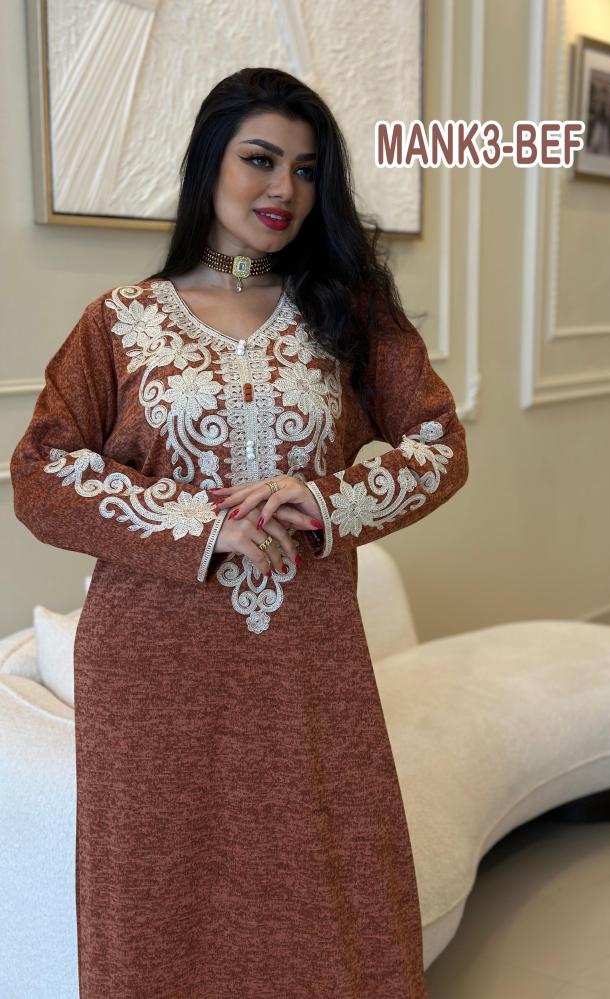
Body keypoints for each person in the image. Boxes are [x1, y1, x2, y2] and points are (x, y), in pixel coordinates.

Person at [11, 66, 469, 998]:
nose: (283, 188)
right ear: (209, 163)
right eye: (260, 159)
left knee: (331, 895)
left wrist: (329, 500)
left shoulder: (346, 312)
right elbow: (41, 471)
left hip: (303, 659)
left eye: (305, 168)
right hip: (152, 672)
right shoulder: (120, 322)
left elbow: (439, 446)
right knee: (159, 904)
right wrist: (198, 520)